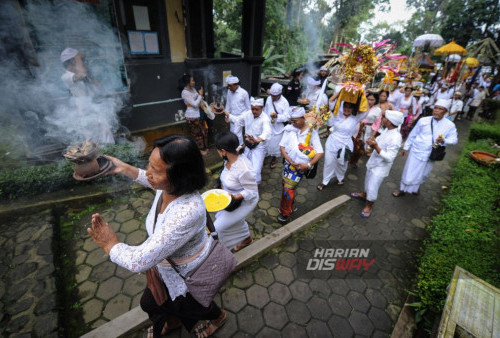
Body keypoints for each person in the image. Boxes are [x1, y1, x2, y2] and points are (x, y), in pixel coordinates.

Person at [86, 135, 226, 338]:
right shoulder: (169, 187)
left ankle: (218, 316)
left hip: (186, 275)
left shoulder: (187, 210)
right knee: (158, 303)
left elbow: (140, 260)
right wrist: (122, 167)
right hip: (166, 267)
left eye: (156, 170)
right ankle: (174, 320)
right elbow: (149, 178)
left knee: (189, 305)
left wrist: (110, 244)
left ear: (180, 175)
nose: (149, 174)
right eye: (149, 165)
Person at [393, 99, 458, 197]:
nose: (436, 110)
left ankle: (415, 188)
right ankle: (402, 189)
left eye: (440, 109)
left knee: (424, 174)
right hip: (416, 150)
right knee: (409, 171)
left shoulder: (450, 125)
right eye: (435, 108)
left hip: (431, 153)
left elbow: (454, 140)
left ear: (445, 112)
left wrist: (443, 141)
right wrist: (406, 147)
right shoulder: (423, 120)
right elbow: (413, 134)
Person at [351, 110, 404, 217]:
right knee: (367, 181)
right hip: (374, 162)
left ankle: (369, 205)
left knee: (373, 186)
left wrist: (376, 146)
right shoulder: (387, 130)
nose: (382, 119)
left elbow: (389, 158)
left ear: (389, 121)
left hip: (381, 167)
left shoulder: (396, 137)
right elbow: (379, 140)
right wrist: (372, 140)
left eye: (384, 118)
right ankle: (364, 194)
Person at [213, 132, 258, 251]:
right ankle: (246, 239)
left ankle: (223, 250)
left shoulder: (244, 169)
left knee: (218, 227)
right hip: (229, 198)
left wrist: (234, 197)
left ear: (223, 150)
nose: (217, 153)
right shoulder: (227, 159)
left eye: (217, 150)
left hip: (245, 200)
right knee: (234, 220)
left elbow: (252, 191)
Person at [60, 47, 115, 144]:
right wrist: (77, 57)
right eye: (80, 61)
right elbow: (80, 75)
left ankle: (110, 153)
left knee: (105, 132)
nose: (82, 62)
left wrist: (89, 73)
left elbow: (99, 85)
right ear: (71, 62)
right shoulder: (66, 76)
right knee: (91, 136)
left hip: (96, 107)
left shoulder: (84, 74)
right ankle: (96, 157)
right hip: (84, 110)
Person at [278, 107, 323, 222]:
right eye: (291, 121)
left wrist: (308, 165)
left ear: (304, 118)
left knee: (288, 188)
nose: (293, 123)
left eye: (295, 121)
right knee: (285, 185)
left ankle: (285, 213)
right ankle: (290, 206)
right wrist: (289, 160)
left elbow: (320, 152)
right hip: (288, 164)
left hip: (299, 168)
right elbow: (282, 147)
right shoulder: (290, 129)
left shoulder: (311, 132)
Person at [317, 101, 368, 190]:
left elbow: (366, 111)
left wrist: (362, 94)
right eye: (345, 106)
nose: (347, 109)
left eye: (349, 107)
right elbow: (329, 105)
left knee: (342, 164)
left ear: (353, 109)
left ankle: (340, 177)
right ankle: (325, 181)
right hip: (332, 142)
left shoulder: (355, 118)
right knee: (329, 163)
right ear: (341, 106)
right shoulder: (336, 115)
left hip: (346, 145)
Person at [223, 97, 271, 184]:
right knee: (245, 166)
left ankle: (255, 188)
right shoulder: (248, 114)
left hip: (259, 147)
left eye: (257, 109)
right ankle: (245, 183)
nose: (254, 111)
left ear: (262, 108)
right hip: (248, 144)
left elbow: (266, 132)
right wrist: (228, 116)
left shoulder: (265, 119)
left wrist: (256, 140)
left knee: (256, 170)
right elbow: (238, 120)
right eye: (252, 108)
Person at [180, 74, 209, 155]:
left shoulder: (193, 89)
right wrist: (200, 95)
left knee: (204, 131)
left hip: (199, 114)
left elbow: (198, 100)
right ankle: (199, 150)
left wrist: (199, 95)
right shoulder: (184, 92)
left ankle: (205, 147)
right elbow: (195, 104)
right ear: (188, 82)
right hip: (191, 116)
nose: (194, 82)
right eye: (192, 80)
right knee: (197, 134)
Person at [264, 83, 290, 169]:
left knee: (275, 145)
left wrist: (277, 116)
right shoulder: (268, 99)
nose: (273, 97)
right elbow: (265, 110)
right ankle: (264, 157)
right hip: (268, 124)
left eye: (275, 96)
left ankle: (273, 159)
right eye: (272, 95)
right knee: (266, 142)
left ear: (280, 94)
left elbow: (287, 117)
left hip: (278, 127)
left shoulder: (285, 102)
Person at [225, 75, 250, 143]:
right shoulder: (229, 92)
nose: (229, 87)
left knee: (237, 134)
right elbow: (228, 104)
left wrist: (248, 119)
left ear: (236, 85)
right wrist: (226, 116)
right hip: (232, 116)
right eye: (228, 86)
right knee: (232, 133)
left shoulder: (244, 93)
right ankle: (235, 148)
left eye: (230, 86)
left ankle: (240, 148)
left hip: (241, 116)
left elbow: (248, 108)